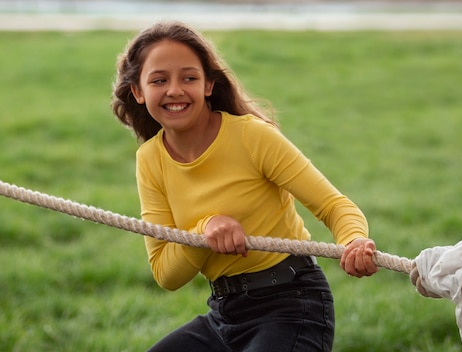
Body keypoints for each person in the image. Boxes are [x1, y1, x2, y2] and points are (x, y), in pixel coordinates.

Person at [111, 21, 378, 351]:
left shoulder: (252, 136)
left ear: (209, 84)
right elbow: (167, 274)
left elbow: (335, 206)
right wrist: (204, 232)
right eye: (159, 80)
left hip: (292, 303)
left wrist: (355, 241)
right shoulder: (150, 158)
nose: (175, 90)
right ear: (138, 91)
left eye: (189, 78)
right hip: (224, 313)